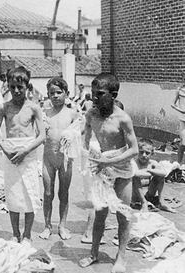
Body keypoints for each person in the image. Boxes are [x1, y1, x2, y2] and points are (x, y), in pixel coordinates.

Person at [79, 73, 138, 273]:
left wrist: (108, 161)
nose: (94, 98)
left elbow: (134, 150)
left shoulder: (123, 118)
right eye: (93, 93)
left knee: (123, 214)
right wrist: (88, 152)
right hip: (101, 167)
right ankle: (94, 253)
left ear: (113, 95)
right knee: (100, 213)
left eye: (100, 94)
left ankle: (120, 257)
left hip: (121, 168)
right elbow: (86, 139)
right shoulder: (91, 114)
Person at [0, 66, 46, 244]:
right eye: (12, 87)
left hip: (28, 153)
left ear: (27, 87)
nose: (16, 91)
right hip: (10, 154)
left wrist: (26, 150)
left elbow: (42, 135)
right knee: (13, 195)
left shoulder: (34, 108)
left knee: (30, 194)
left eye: (20, 87)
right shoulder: (4, 107)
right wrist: (5, 148)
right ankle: (15, 233)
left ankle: (27, 234)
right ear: (8, 86)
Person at [39, 77, 80, 240]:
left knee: (64, 192)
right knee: (48, 193)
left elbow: (80, 130)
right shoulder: (45, 114)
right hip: (48, 158)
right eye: (51, 93)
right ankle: (47, 225)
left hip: (65, 159)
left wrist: (72, 134)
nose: (55, 96)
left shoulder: (72, 112)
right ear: (48, 95)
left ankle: (62, 225)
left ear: (66, 93)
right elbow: (38, 133)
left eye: (59, 92)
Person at [132, 138, 175, 212]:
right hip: (135, 196)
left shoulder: (152, 163)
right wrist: (151, 173)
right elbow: (135, 173)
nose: (144, 155)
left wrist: (149, 170)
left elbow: (164, 173)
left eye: (147, 153)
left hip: (149, 194)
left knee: (160, 177)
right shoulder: (134, 163)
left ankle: (161, 202)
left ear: (152, 153)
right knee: (135, 177)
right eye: (141, 152)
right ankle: (143, 202)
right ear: (137, 152)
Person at [171, 74, 185, 163]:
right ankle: (178, 164)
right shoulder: (179, 90)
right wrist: (181, 110)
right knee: (183, 143)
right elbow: (172, 104)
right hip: (183, 119)